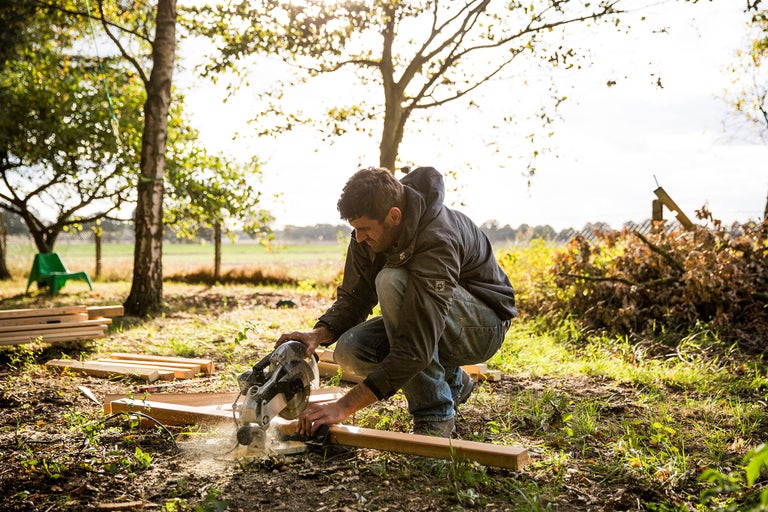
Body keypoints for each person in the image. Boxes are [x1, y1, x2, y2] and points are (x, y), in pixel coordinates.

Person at [276, 166, 516, 438]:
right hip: (436, 318)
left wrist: (343, 407)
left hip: (483, 326)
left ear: (393, 216)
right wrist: (318, 334)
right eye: (354, 229)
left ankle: (435, 415)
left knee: (391, 281)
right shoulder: (367, 233)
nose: (359, 237)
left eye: (364, 229)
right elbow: (355, 299)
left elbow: (416, 347)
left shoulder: (438, 238)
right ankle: (453, 381)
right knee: (351, 349)